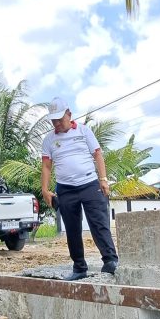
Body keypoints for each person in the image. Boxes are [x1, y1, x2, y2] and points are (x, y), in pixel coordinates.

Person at [41, 97, 118, 281]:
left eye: (60, 119)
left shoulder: (84, 131)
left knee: (99, 223)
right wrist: (45, 189)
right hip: (65, 188)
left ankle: (110, 261)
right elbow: (46, 166)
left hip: (89, 184)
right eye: (53, 120)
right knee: (72, 229)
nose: (57, 123)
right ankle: (79, 267)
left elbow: (97, 154)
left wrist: (103, 179)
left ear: (69, 114)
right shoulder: (49, 139)